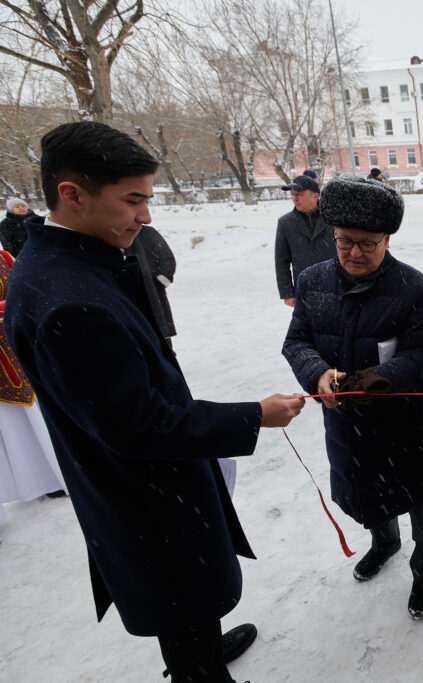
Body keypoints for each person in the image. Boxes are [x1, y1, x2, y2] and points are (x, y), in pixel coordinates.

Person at [3, 121, 305, 683]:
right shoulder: (71, 302)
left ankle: (201, 647)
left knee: (185, 595)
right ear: (72, 194)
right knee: (177, 587)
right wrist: (252, 416)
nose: (145, 217)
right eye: (133, 200)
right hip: (146, 495)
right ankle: (198, 670)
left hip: (144, 486)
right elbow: (137, 427)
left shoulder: (67, 264)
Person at [282, 177, 423, 620]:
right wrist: (317, 376)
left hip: (402, 421)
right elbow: (296, 342)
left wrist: (378, 379)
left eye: (367, 245)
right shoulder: (314, 281)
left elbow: (419, 352)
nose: (354, 253)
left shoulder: (412, 286)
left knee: (419, 500)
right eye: (344, 242)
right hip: (345, 421)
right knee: (366, 491)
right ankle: (384, 541)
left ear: (387, 239)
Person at [0, 249, 67, 508]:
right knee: (11, 425)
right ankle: (31, 481)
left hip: (16, 347)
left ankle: (55, 475)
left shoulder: (5, 258)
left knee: (39, 414)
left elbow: (24, 287)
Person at [275, 173, 333, 307]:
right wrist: (287, 292)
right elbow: (281, 260)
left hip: (335, 286)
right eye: (292, 194)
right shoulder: (285, 222)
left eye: (299, 194)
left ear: (315, 196)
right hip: (305, 290)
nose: (294, 199)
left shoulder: (332, 218)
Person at [125, 224, 177, 343]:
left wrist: (159, 283)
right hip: (128, 299)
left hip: (154, 295)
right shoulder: (110, 235)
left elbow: (167, 258)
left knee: (161, 337)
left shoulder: (147, 233)